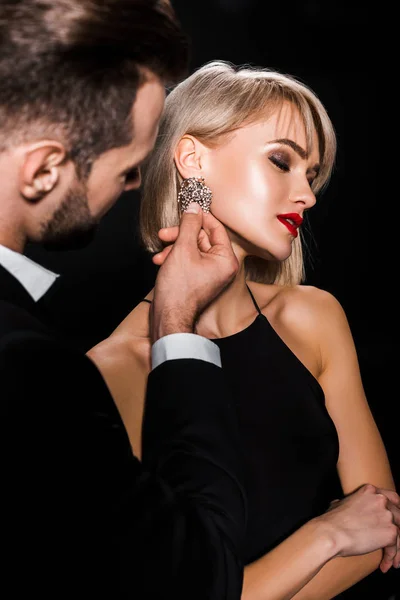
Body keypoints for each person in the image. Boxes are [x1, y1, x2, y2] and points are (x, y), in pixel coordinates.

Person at [89, 60, 400, 599]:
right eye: (282, 161)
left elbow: (383, 529)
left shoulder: (314, 318)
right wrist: (327, 535)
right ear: (192, 159)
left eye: (312, 174)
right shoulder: (111, 371)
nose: (307, 195)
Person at [1, 4, 248, 598]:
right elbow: (192, 576)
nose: (137, 183)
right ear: (43, 171)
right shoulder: (25, 367)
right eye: (130, 167)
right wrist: (177, 326)